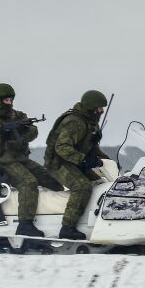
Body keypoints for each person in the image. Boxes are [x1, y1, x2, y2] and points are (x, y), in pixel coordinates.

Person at [0, 83, 63, 237]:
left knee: (52, 180)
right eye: (6, 100)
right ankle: (25, 225)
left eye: (11, 99)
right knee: (28, 182)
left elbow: (33, 132)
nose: (10, 102)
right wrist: (0, 137)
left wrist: (23, 131)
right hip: (3, 161)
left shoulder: (18, 116)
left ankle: (55, 215)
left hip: (21, 158)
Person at [44, 90, 110, 240]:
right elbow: (61, 147)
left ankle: (97, 222)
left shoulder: (91, 122)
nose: (102, 111)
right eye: (99, 108)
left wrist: (106, 160)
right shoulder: (75, 122)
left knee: (100, 183)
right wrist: (84, 160)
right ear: (91, 107)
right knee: (82, 186)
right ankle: (68, 228)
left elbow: (90, 145)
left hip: (74, 162)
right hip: (58, 163)